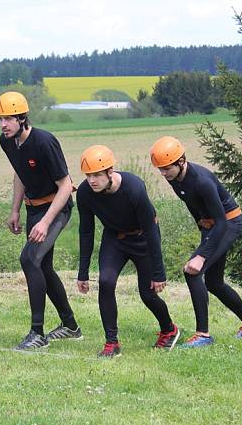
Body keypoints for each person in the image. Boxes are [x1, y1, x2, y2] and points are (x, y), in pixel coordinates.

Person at [150, 136, 242, 348]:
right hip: (212, 225)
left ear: (181, 161)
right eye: (160, 169)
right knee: (214, 283)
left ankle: (203, 335)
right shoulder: (175, 179)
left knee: (192, 271)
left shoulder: (201, 180)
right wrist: (200, 224)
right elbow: (191, 203)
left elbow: (222, 221)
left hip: (228, 223)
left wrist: (202, 254)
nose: (163, 173)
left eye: (167, 168)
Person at [0, 91, 83, 350]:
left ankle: (37, 334)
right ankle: (70, 326)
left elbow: (66, 185)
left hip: (57, 208)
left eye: (8, 119)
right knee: (42, 266)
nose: (3, 125)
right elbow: (20, 173)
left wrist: (45, 222)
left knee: (29, 259)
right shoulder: (6, 142)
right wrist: (15, 210)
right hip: (33, 210)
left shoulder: (44, 142)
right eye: (0, 119)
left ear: (22, 118)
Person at [76, 145, 180, 358]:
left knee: (148, 294)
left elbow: (151, 230)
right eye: (88, 175)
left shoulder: (133, 188)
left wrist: (159, 273)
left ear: (110, 172)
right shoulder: (85, 193)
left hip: (143, 238)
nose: (92, 180)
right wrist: (83, 272)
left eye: (97, 175)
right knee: (105, 282)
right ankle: (111, 343)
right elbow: (86, 231)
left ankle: (169, 329)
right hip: (115, 239)